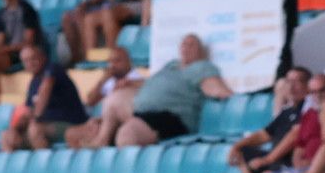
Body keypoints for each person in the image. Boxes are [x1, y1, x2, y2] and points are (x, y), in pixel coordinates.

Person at [93, 33, 231, 147]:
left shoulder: (202, 67)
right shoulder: (172, 66)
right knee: (113, 100)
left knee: (127, 134)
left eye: (191, 44)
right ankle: (102, 140)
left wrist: (225, 94)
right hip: (145, 111)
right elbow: (153, 84)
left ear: (201, 52)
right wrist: (131, 83)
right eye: (184, 44)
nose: (186, 47)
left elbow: (215, 87)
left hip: (170, 117)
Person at [241, 72, 325, 173]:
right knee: (242, 152)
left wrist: (269, 159)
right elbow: (266, 134)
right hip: (293, 163)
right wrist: (237, 145)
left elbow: (300, 137)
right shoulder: (297, 112)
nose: (291, 86)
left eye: (297, 82)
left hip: (293, 162)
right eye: (289, 82)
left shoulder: (312, 111)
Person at [3, 43, 89, 150]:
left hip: (71, 124)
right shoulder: (33, 82)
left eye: (33, 58)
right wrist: (15, 129)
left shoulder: (53, 69)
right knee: (6, 135)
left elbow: (45, 91)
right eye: (26, 61)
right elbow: (29, 111)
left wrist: (35, 117)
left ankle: (46, 165)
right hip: (46, 126)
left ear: (43, 57)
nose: (30, 63)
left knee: (35, 130)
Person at [65, 45, 144, 146]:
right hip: (102, 123)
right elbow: (90, 101)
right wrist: (103, 79)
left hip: (123, 124)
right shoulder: (110, 80)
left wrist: (100, 121)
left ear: (128, 62)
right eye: (110, 62)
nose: (113, 65)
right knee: (71, 134)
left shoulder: (135, 79)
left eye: (117, 61)